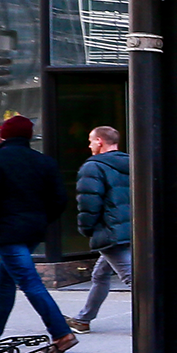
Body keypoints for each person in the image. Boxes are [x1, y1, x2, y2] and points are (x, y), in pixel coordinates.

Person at [0, 115, 77, 353]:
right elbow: (59, 199)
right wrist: (41, 220)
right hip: (32, 229)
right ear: (29, 137)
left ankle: (61, 334)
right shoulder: (43, 161)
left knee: (29, 282)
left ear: (3, 135)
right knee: (5, 282)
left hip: (6, 230)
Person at [68, 126, 132, 333]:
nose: (88, 145)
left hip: (110, 230)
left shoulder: (93, 166)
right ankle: (83, 319)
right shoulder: (132, 163)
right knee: (100, 274)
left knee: (134, 279)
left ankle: (160, 320)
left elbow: (89, 202)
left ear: (99, 142)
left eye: (90, 140)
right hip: (130, 229)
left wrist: (87, 229)